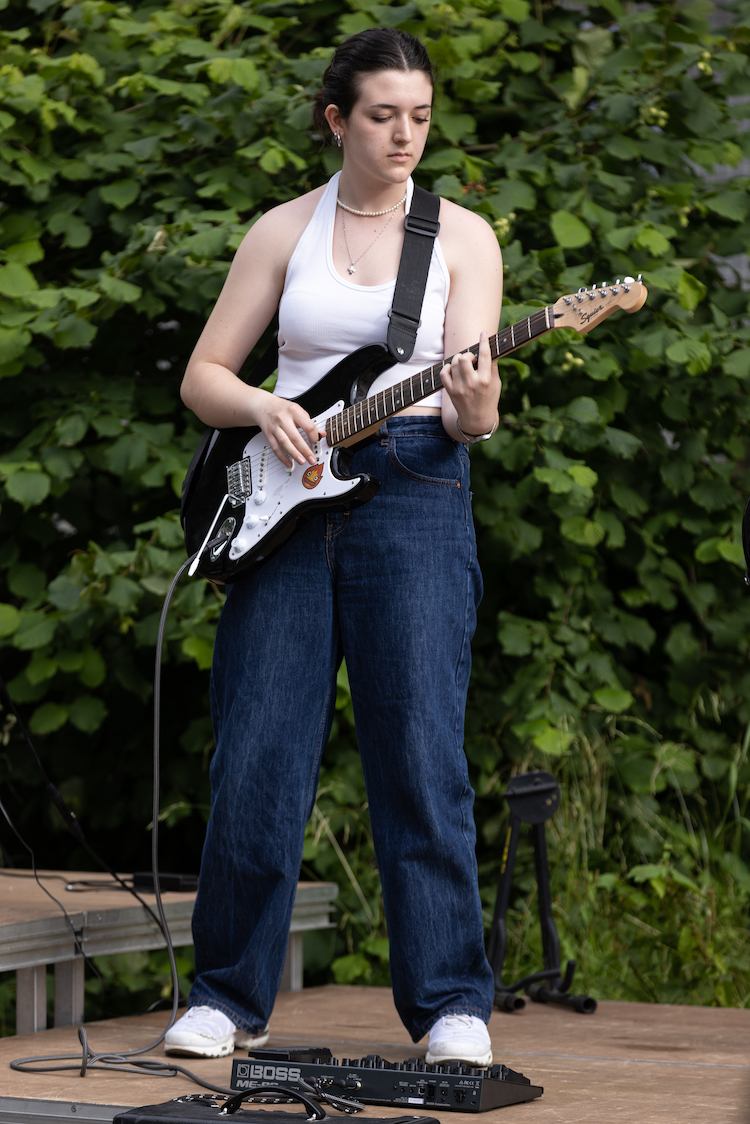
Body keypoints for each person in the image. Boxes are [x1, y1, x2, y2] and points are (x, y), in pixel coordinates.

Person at [166, 27, 503, 1066]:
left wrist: (477, 408)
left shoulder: (462, 237)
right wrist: (263, 406)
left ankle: (450, 1003)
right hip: (288, 494)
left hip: (415, 487)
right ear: (336, 120)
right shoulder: (284, 229)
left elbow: (474, 408)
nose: (405, 135)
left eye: (420, 116)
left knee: (419, 749)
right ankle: (228, 995)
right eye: (382, 115)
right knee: (258, 749)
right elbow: (203, 377)